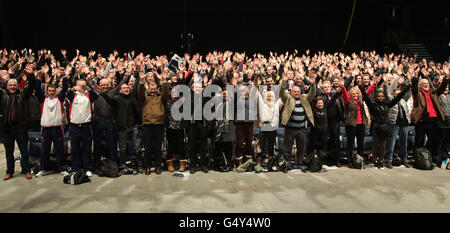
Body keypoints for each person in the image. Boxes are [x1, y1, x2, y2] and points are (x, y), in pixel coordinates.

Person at [359, 77, 411, 169]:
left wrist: (407, 88)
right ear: (376, 97)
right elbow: (366, 97)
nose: (381, 97)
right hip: (375, 127)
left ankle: (380, 161)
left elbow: (398, 98)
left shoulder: (387, 105)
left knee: (383, 145)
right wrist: (361, 87)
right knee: (375, 145)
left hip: (385, 127)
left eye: (382, 96)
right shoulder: (372, 105)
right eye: (379, 96)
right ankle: (375, 161)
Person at [0, 66, 35, 180]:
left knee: (24, 151)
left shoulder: (23, 94)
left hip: (20, 128)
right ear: (7, 86)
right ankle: (9, 171)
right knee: (9, 152)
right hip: (7, 128)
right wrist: (2, 79)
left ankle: (26, 170)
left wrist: (30, 75)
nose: (12, 87)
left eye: (14, 85)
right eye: (10, 85)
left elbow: (31, 87)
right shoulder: (2, 95)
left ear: (17, 86)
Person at [34, 69, 70, 177]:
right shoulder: (42, 99)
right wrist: (39, 78)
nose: (51, 92)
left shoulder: (59, 98)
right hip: (45, 129)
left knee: (60, 150)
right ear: (47, 91)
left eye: (53, 91)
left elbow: (65, 88)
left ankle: (63, 168)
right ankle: (43, 169)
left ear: (55, 91)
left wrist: (63, 76)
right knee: (45, 150)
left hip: (57, 128)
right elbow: (37, 89)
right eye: (49, 90)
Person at [410, 67, 449, 166]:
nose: (426, 85)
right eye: (424, 84)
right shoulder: (417, 94)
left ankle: (427, 158)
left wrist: (446, 77)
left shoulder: (433, 92)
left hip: (432, 121)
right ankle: (418, 159)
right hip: (421, 121)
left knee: (432, 141)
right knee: (419, 140)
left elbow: (442, 87)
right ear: (420, 85)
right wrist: (415, 77)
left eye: (427, 83)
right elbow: (414, 88)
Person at [279, 72, 316, 172]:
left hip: (301, 129)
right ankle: (287, 164)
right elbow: (281, 92)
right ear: (291, 92)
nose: (297, 93)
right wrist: (284, 82)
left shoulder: (304, 98)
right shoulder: (288, 98)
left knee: (301, 148)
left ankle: (300, 163)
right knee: (287, 148)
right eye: (295, 91)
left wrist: (312, 84)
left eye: (298, 91)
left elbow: (312, 93)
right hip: (290, 128)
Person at [66, 78, 99, 177]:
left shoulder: (89, 95)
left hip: (86, 126)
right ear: (76, 85)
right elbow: (67, 95)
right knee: (75, 149)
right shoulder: (73, 95)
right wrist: (73, 89)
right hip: (74, 126)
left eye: (84, 85)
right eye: (80, 85)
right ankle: (75, 168)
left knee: (87, 148)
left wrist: (88, 88)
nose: (82, 87)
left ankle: (87, 168)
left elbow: (96, 95)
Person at [138, 76, 170, 175]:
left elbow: (165, 92)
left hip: (159, 124)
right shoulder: (145, 98)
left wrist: (164, 81)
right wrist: (141, 81)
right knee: (147, 147)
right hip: (147, 124)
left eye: (154, 89)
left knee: (157, 147)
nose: (153, 90)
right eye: (151, 89)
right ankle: (147, 166)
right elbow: (139, 92)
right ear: (148, 89)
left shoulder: (161, 98)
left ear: (157, 89)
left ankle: (158, 166)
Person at [385, 75, 413, 168]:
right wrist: (386, 83)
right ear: (393, 94)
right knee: (391, 142)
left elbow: (408, 91)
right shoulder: (391, 100)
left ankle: (404, 159)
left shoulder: (404, 99)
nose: (398, 95)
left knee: (404, 142)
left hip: (404, 123)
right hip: (394, 123)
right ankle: (389, 160)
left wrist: (408, 82)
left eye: (399, 93)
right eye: (396, 94)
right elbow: (386, 92)